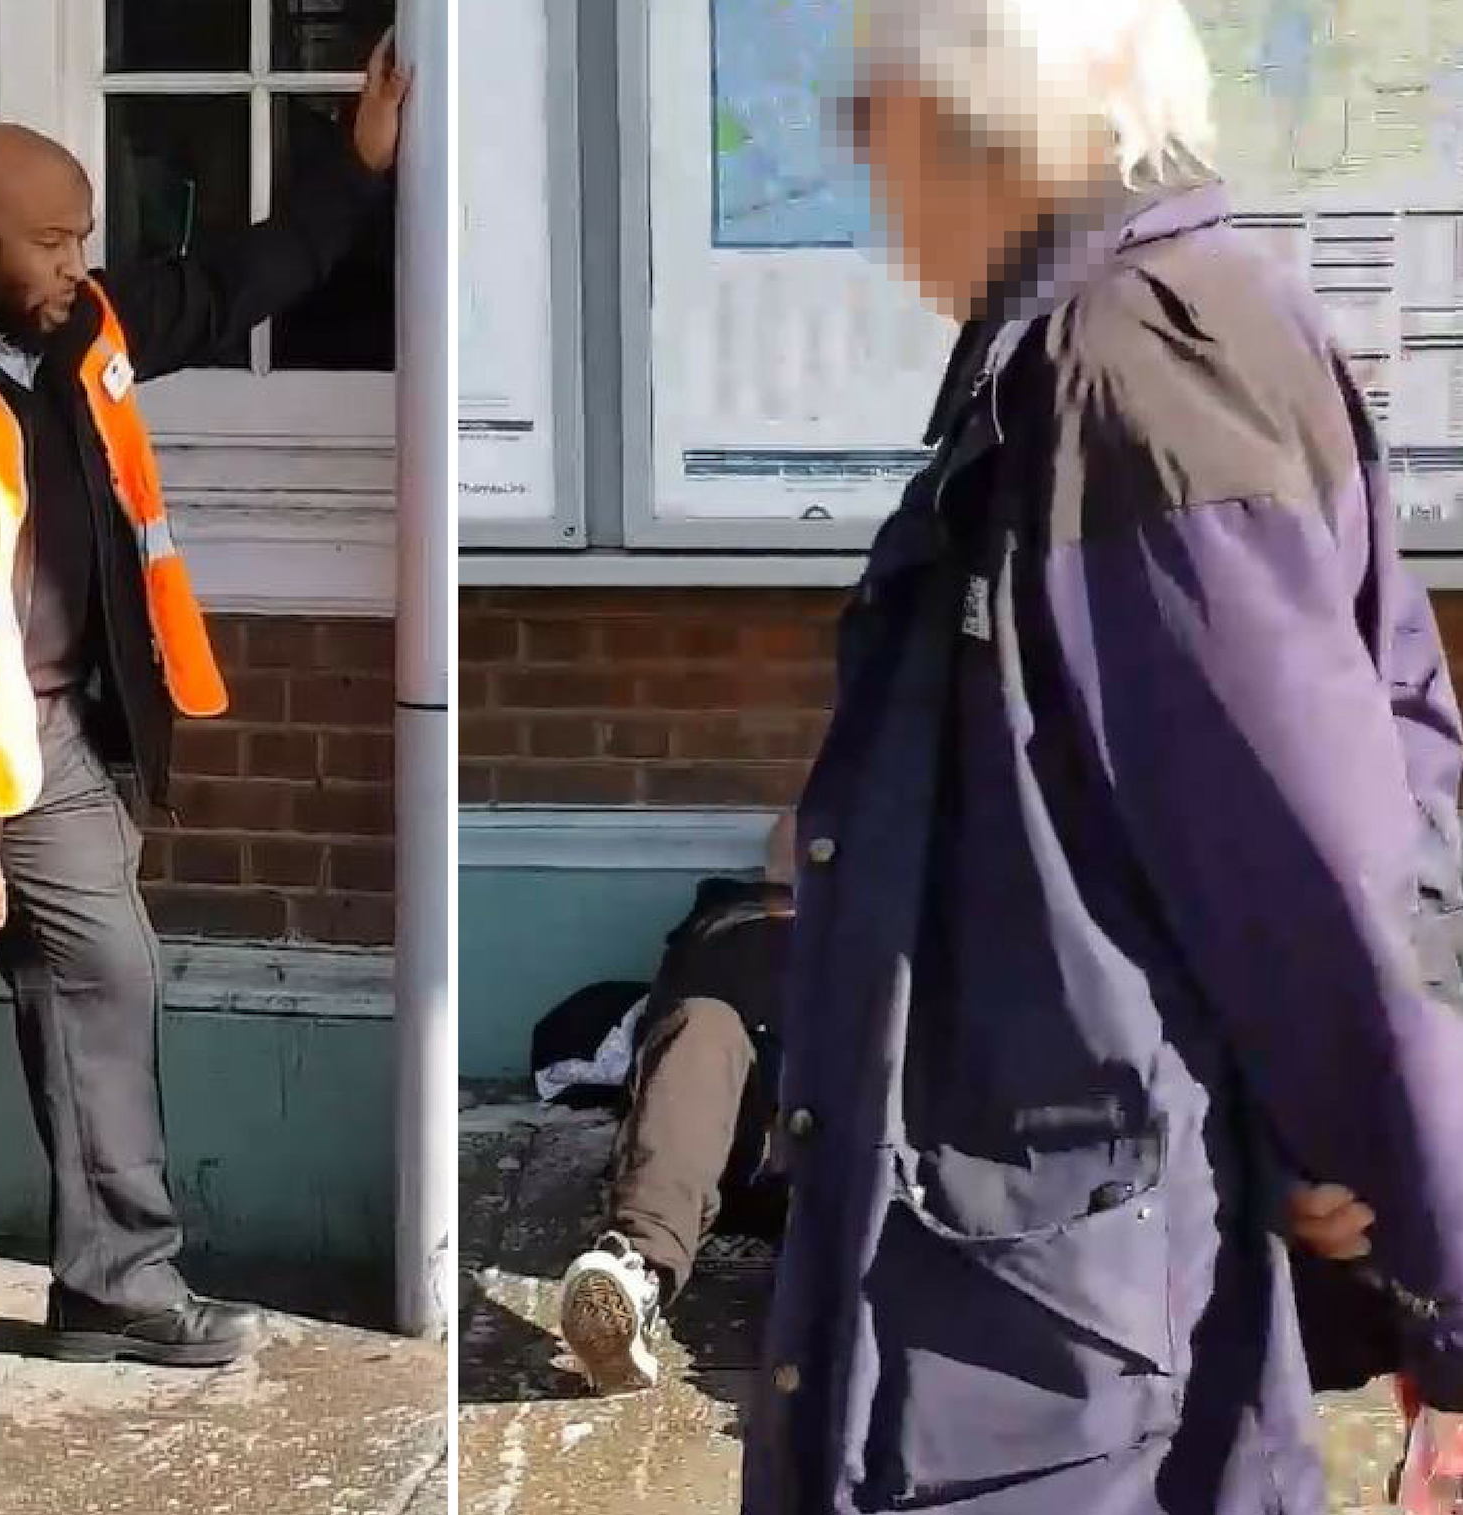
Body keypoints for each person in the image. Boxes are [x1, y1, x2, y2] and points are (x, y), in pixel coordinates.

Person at [741, 1, 1463, 1510]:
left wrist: (1432, 1251)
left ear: (987, 122)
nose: (859, 162)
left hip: (1045, 1354)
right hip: (1047, 1290)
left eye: (874, 116)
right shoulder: (1108, 335)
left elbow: (1323, 856)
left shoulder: (1132, 362)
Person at [0, 41, 409, 1419]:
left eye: (86, 237)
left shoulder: (71, 325)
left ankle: (118, 1282)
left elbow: (234, 286)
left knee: (108, 974)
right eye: (52, 240)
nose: (77, 261)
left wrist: (356, 165)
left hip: (37, 741)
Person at [558, 813, 796, 1394]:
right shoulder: (729, 923)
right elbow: (797, 836)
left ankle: (844, 1315)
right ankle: (633, 1281)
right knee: (701, 1026)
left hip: (831, 1164)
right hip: (707, 1155)